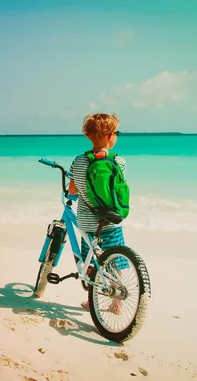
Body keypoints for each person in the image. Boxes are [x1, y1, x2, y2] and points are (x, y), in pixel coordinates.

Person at [68, 113, 127, 314]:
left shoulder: (78, 161)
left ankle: (91, 299)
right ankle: (116, 304)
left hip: (87, 221)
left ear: (89, 136)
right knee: (114, 260)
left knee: (90, 261)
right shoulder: (120, 162)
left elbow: (73, 191)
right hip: (111, 221)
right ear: (110, 136)